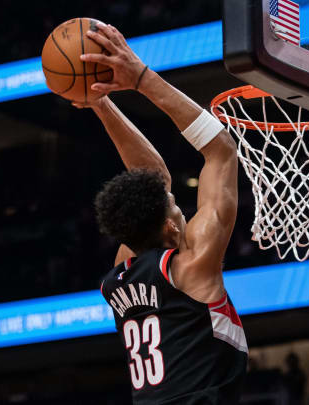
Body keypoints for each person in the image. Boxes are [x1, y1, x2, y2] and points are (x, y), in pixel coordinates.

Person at [76, 23, 247, 404]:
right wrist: (140, 77)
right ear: (170, 224)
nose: (176, 201)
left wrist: (101, 104)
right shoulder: (193, 266)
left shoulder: (117, 278)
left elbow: (150, 180)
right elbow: (221, 150)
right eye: (174, 203)